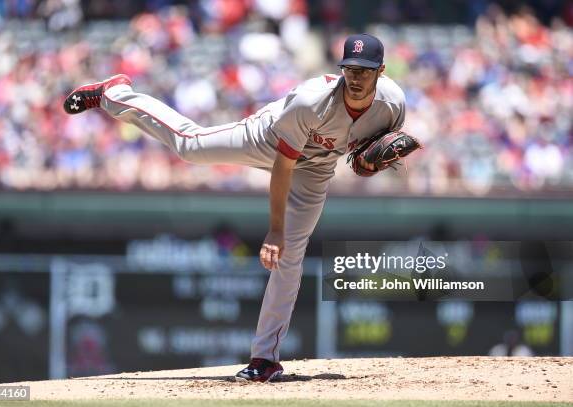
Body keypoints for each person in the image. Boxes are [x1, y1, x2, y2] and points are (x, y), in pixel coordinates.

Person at [64, 34, 407, 382]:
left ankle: (265, 359)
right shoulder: (311, 101)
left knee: (292, 255)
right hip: (269, 140)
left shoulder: (393, 103)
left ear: (380, 71)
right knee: (190, 146)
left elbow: (377, 145)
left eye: (364, 70)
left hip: (318, 168)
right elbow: (282, 167)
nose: (356, 77)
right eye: (350, 68)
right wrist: (274, 230)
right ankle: (115, 94)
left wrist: (369, 160)